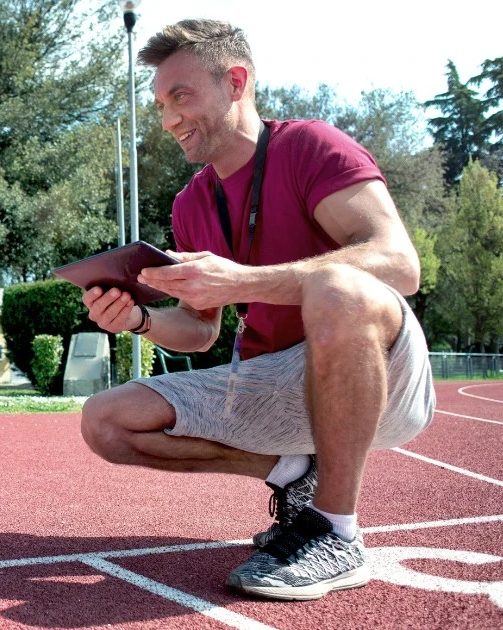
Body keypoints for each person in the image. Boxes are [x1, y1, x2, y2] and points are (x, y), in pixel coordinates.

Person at [79, 20, 434, 601]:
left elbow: (399, 265)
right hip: (270, 382)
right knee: (103, 420)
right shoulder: (191, 203)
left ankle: (337, 532)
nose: (168, 120)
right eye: (162, 104)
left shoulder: (311, 146)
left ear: (236, 82)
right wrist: (139, 320)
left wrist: (245, 281)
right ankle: (294, 473)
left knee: (337, 288)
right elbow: (198, 332)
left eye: (181, 97)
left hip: (378, 374)